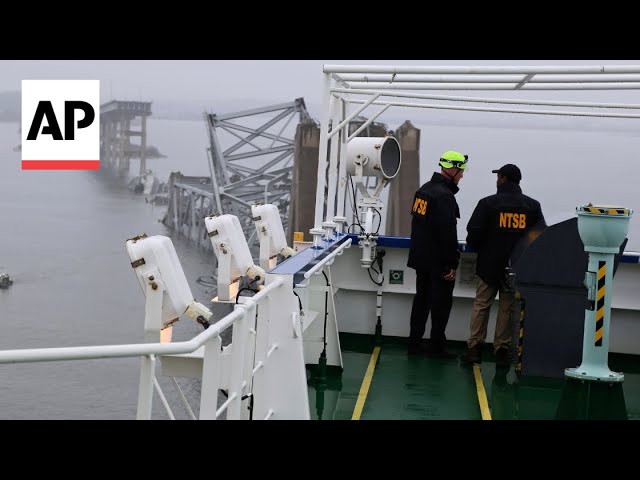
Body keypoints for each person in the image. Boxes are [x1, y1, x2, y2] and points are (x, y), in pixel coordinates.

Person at [460, 164, 545, 367]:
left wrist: (485, 248)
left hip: (489, 265)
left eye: (498, 176)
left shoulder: (488, 204)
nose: (496, 179)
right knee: (507, 309)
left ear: (504, 179)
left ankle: (474, 349)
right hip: (516, 268)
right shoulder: (532, 206)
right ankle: (501, 351)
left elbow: (473, 233)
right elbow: (540, 236)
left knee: (481, 305)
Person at [407, 150, 468, 358]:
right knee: (441, 305)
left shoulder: (424, 190)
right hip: (438, 261)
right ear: (451, 169)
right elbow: (447, 233)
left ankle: (414, 344)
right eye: (460, 171)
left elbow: (418, 226)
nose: (462, 175)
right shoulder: (444, 196)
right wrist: (451, 263)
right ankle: (436, 347)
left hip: (421, 258)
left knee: (421, 301)